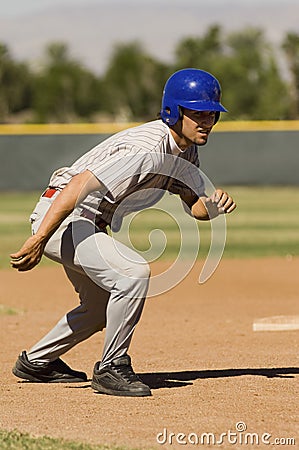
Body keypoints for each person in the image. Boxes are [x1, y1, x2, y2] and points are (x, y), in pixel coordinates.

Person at [10, 68, 236, 397]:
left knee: (100, 307)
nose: (206, 121)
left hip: (86, 222)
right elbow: (77, 186)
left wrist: (213, 206)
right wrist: (39, 237)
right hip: (65, 215)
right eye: (197, 112)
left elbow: (194, 205)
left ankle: (37, 361)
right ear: (173, 111)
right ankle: (112, 367)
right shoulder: (146, 148)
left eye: (212, 114)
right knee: (131, 273)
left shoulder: (185, 151)